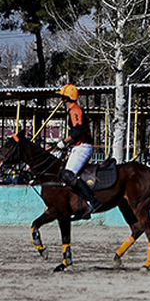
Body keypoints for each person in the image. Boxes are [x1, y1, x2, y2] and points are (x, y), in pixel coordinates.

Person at [55, 84, 100, 219]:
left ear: (65, 98)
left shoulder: (75, 110)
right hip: (77, 147)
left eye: (61, 97)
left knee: (68, 175)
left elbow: (77, 131)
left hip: (83, 147)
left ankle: (93, 201)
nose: (60, 100)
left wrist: (64, 141)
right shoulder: (72, 110)